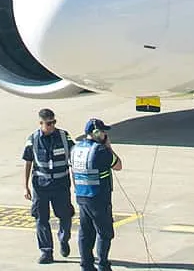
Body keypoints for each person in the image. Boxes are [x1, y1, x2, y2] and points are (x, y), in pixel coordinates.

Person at [22, 108, 75, 264]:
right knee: (41, 218)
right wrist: (25, 186)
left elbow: (74, 157)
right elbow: (28, 162)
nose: (52, 126)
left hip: (61, 184)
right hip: (41, 186)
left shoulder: (64, 137)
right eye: (48, 123)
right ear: (41, 123)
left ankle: (64, 239)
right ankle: (46, 251)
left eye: (53, 122)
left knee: (65, 215)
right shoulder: (33, 139)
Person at [70, 118, 122, 271]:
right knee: (104, 232)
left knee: (85, 232)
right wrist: (108, 146)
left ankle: (86, 264)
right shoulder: (100, 150)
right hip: (98, 196)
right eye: (103, 132)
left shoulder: (76, 149)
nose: (105, 134)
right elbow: (118, 165)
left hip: (82, 195)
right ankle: (103, 264)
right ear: (96, 133)